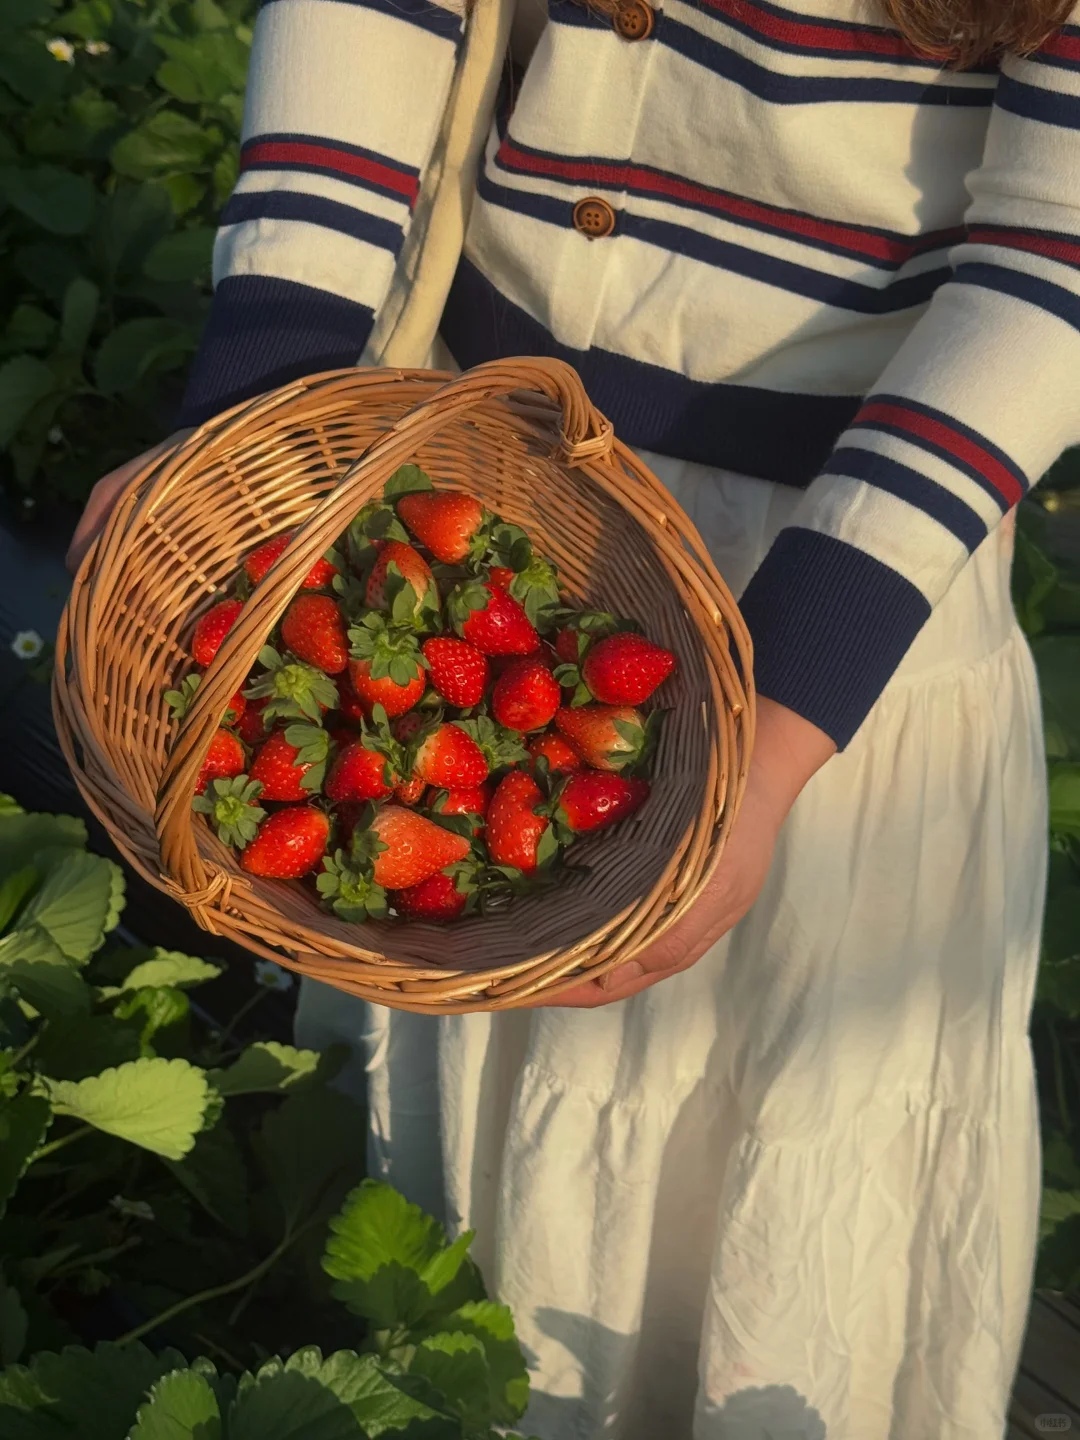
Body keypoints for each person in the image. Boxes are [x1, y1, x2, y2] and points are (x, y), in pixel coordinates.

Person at [68, 0, 1078, 1433]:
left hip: (835, 582)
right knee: (462, 1211)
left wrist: (773, 730)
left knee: (747, 1183)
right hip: (473, 499)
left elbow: (1052, 268)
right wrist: (261, 420)